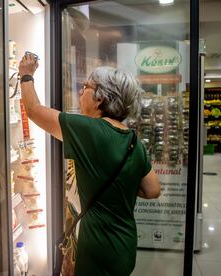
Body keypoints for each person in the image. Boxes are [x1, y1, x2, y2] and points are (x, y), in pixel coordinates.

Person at [19, 53, 160, 276]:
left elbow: (35, 110)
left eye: (85, 87)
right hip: (124, 245)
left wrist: (26, 76)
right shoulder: (134, 140)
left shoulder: (88, 130)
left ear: (100, 98)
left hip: (94, 247)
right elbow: (153, 190)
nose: (80, 92)